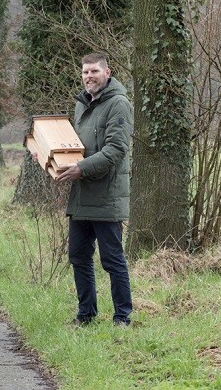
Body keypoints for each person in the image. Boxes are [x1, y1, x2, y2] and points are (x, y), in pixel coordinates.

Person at [56, 52, 134, 327]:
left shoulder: (119, 104)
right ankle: (86, 315)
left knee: (112, 259)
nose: (89, 76)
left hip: (107, 196)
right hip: (81, 194)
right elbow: (75, 146)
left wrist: (81, 168)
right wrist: (47, 155)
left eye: (94, 72)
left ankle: (122, 317)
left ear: (107, 73)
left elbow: (116, 150)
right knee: (78, 257)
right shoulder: (82, 104)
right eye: (85, 72)